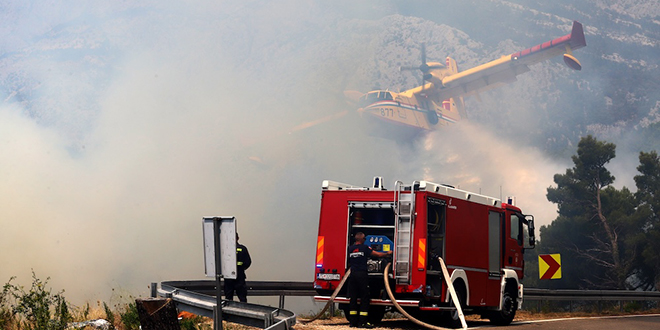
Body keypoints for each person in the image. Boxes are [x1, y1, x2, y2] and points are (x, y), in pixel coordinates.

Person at [347, 232, 392, 328]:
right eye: (364, 239)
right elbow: (377, 254)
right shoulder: (365, 248)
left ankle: (352, 322)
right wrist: (387, 253)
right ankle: (363, 322)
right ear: (362, 239)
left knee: (353, 298)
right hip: (362, 275)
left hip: (352, 275)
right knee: (364, 298)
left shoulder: (350, 249)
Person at [224, 233, 252, 302]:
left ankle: (228, 312)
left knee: (228, 299)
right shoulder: (243, 248)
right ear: (238, 238)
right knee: (242, 299)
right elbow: (248, 262)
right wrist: (241, 269)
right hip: (240, 276)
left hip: (229, 277)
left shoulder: (225, 249)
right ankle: (244, 311)